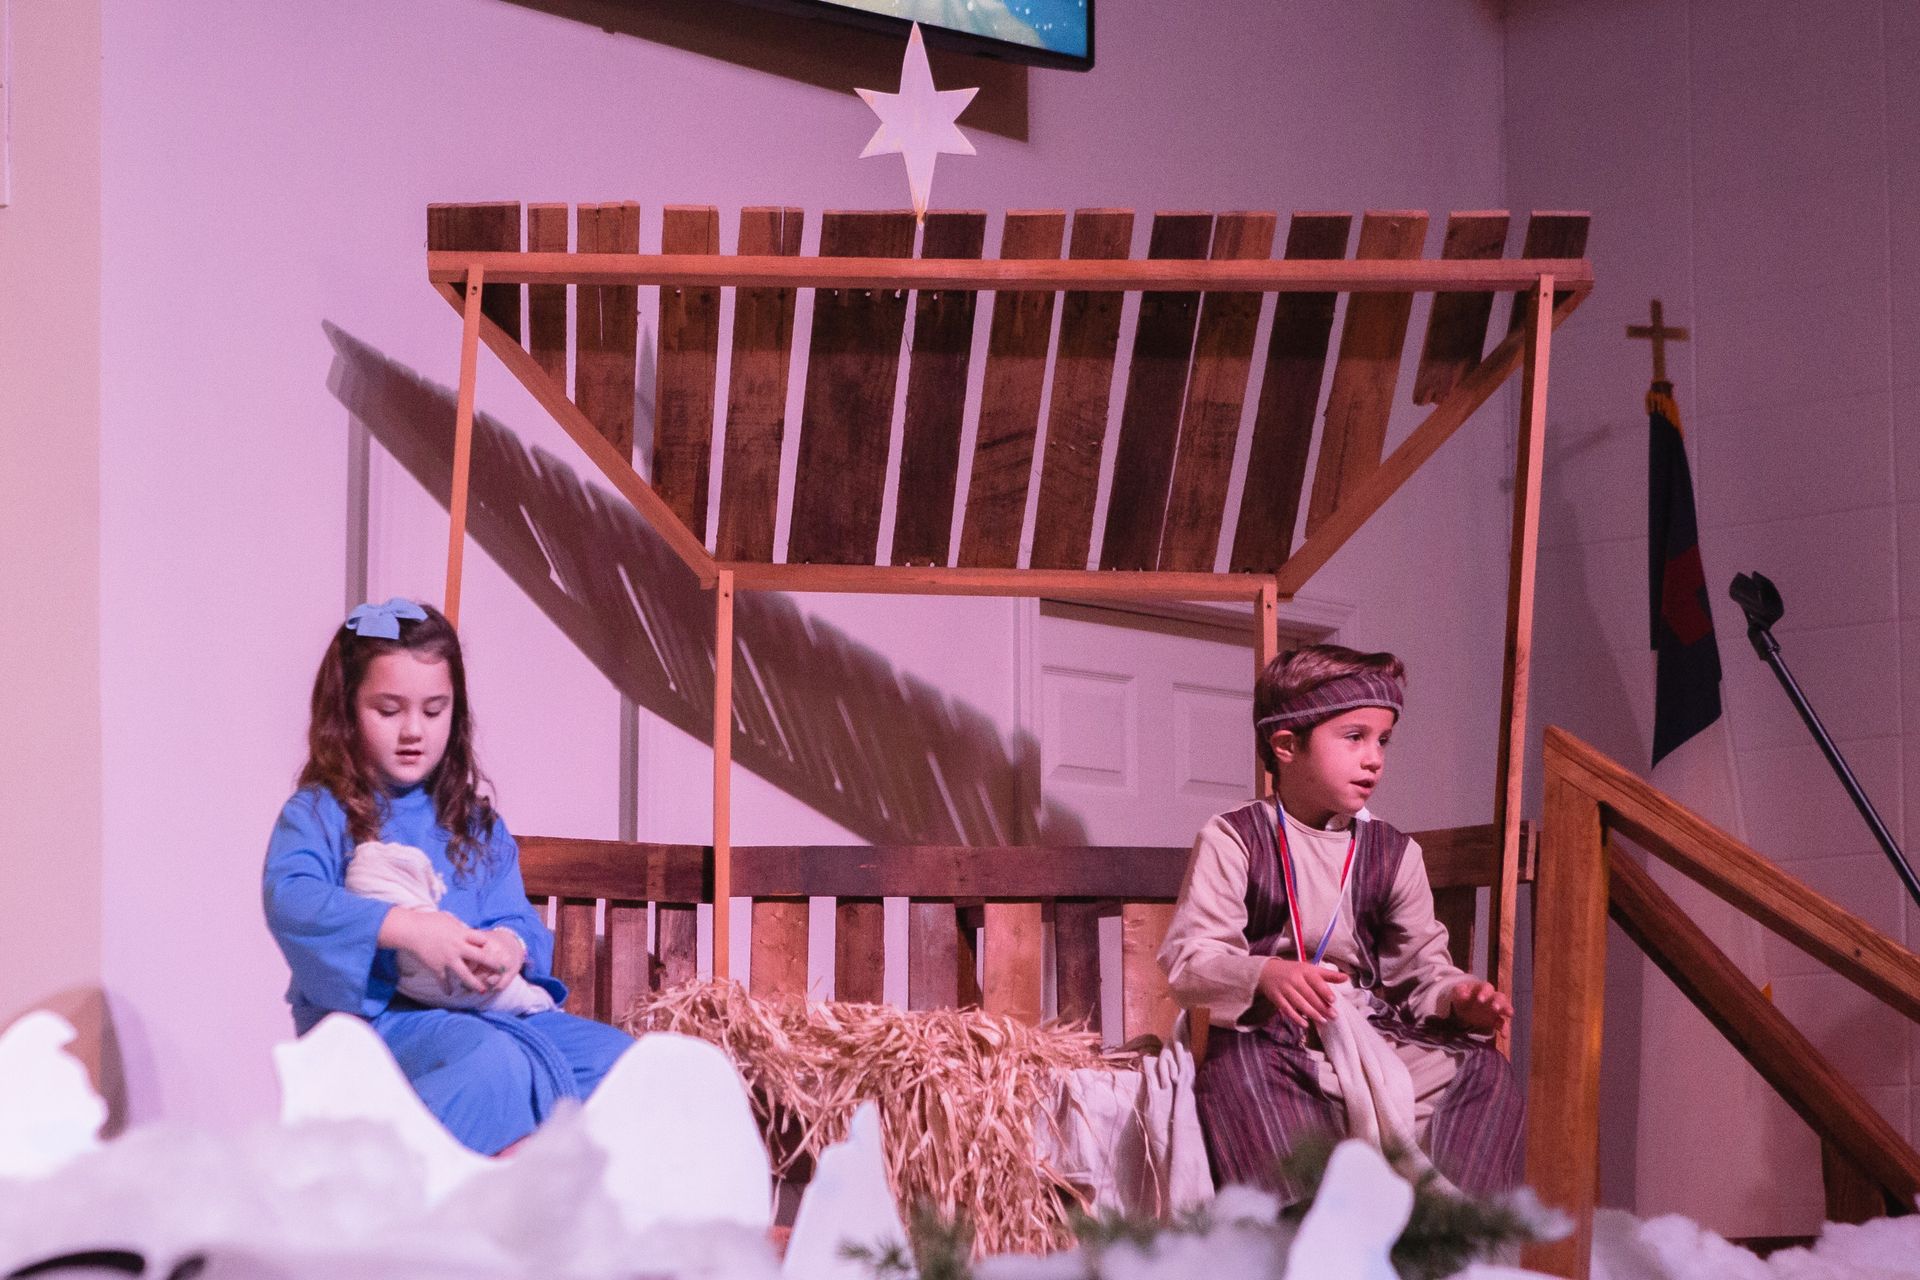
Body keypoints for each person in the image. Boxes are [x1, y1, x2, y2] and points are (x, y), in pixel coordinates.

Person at [263, 598, 633, 1155]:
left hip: (484, 1017)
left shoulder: (474, 822)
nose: (414, 731)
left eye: (434, 711)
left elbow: (517, 919)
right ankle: (447, 1212)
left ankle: (547, 1203)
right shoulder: (320, 813)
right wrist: (407, 929)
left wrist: (508, 947)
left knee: (622, 1067)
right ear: (346, 709)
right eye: (389, 711)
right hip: (378, 1031)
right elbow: (291, 897)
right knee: (490, 1063)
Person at [1157, 645, 1523, 1201]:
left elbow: (1422, 969)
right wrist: (1264, 975)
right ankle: (1306, 1241)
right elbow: (1191, 961)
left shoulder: (1392, 853)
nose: (1374, 758)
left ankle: (1444, 1239)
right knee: (1239, 1082)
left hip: (1370, 1034)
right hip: (1268, 1037)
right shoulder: (1235, 839)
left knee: (1486, 1075)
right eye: (1354, 738)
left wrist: (1458, 997)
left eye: (1383, 740)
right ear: (1286, 746)